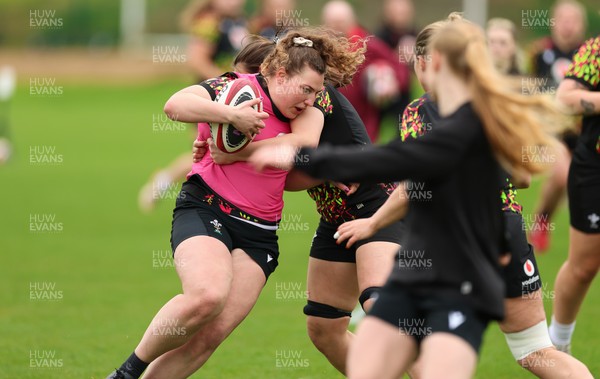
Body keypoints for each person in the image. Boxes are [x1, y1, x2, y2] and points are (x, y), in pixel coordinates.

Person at [249, 19, 564, 379]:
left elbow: (391, 161)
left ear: (435, 62)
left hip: (462, 268)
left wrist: (305, 157)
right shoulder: (471, 112)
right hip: (427, 258)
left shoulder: (459, 119)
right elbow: (519, 177)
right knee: (369, 364)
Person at [333, 14, 592, 379]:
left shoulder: (419, 112)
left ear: (427, 62)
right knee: (535, 351)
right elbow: (521, 177)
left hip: (457, 240)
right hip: (506, 228)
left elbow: (416, 185)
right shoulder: (492, 105)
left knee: (409, 343)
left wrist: (373, 222)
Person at [106, 28, 365, 379]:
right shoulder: (234, 88)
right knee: (207, 296)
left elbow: (298, 151)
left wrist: (241, 152)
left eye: (317, 92)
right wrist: (230, 116)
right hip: (206, 207)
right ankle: (125, 373)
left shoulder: (308, 113)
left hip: (259, 234)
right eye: (305, 89)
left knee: (207, 338)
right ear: (278, 74)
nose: (311, 99)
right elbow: (174, 105)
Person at [190, 34, 403, 376]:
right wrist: (217, 148)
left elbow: (300, 150)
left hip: (377, 207)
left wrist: (235, 153)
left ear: (272, 72)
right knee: (324, 327)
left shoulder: (312, 99)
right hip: (335, 218)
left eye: (248, 86)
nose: (248, 97)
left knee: (380, 310)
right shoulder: (286, 106)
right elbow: (287, 174)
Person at [138, 0, 250, 212]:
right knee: (210, 150)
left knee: (217, 151)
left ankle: (177, 188)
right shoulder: (208, 23)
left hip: (231, 99)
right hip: (210, 99)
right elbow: (197, 60)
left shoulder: (240, 21)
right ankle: (173, 188)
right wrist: (226, 83)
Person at [549, 34, 600, 355]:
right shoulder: (597, 49)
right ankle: (559, 342)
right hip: (594, 165)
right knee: (584, 266)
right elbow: (563, 99)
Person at [528, 0, 588, 252]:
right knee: (562, 174)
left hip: (583, 131)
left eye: (573, 20)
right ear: (552, 23)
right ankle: (541, 221)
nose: (567, 26)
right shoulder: (539, 53)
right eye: (562, 19)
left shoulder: (590, 55)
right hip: (551, 130)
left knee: (581, 183)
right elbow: (528, 89)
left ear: (582, 25)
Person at [321, 0, 410, 143]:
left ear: (352, 21)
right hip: (328, 118)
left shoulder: (366, 43)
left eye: (341, 21)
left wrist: (391, 83)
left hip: (363, 119)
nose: (336, 27)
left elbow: (398, 66)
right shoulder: (320, 47)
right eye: (332, 22)